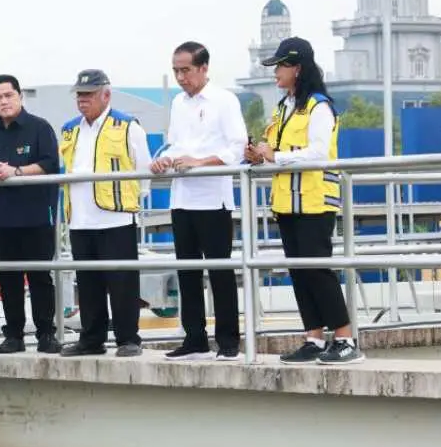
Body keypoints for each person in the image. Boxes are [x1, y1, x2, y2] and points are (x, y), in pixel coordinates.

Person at [246, 36, 363, 364]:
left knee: (316, 270)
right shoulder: (283, 107)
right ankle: (313, 337)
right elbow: (274, 147)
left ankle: (345, 339)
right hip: (287, 203)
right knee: (298, 271)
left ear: (297, 68)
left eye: (280, 66)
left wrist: (277, 156)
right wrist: (257, 154)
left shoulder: (318, 106)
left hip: (314, 201)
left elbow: (319, 152)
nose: (275, 73)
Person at [150, 42, 247, 361]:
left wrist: (201, 162)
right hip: (182, 197)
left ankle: (229, 341)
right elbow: (175, 144)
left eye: (186, 70)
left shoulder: (224, 100)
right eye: (176, 70)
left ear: (204, 68)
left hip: (213, 199)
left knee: (219, 271)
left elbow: (237, 148)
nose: (180, 77)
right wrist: (165, 159)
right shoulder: (178, 103)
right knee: (187, 270)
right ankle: (194, 338)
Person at [57, 70, 149, 358]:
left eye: (89, 94)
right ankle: (91, 338)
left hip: (115, 215)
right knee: (88, 282)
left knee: (121, 281)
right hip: (80, 217)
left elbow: (143, 170)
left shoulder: (127, 126)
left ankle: (128, 338)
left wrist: (131, 201)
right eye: (80, 95)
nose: (82, 100)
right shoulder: (70, 128)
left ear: (106, 95)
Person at [0, 74, 62, 354]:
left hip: (36, 216)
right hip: (2, 218)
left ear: (19, 96)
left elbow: (50, 163)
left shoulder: (39, 128)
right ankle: (14, 335)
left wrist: (16, 172)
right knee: (8, 278)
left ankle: (46, 332)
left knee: (40, 277)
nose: (4, 101)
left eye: (9, 95)